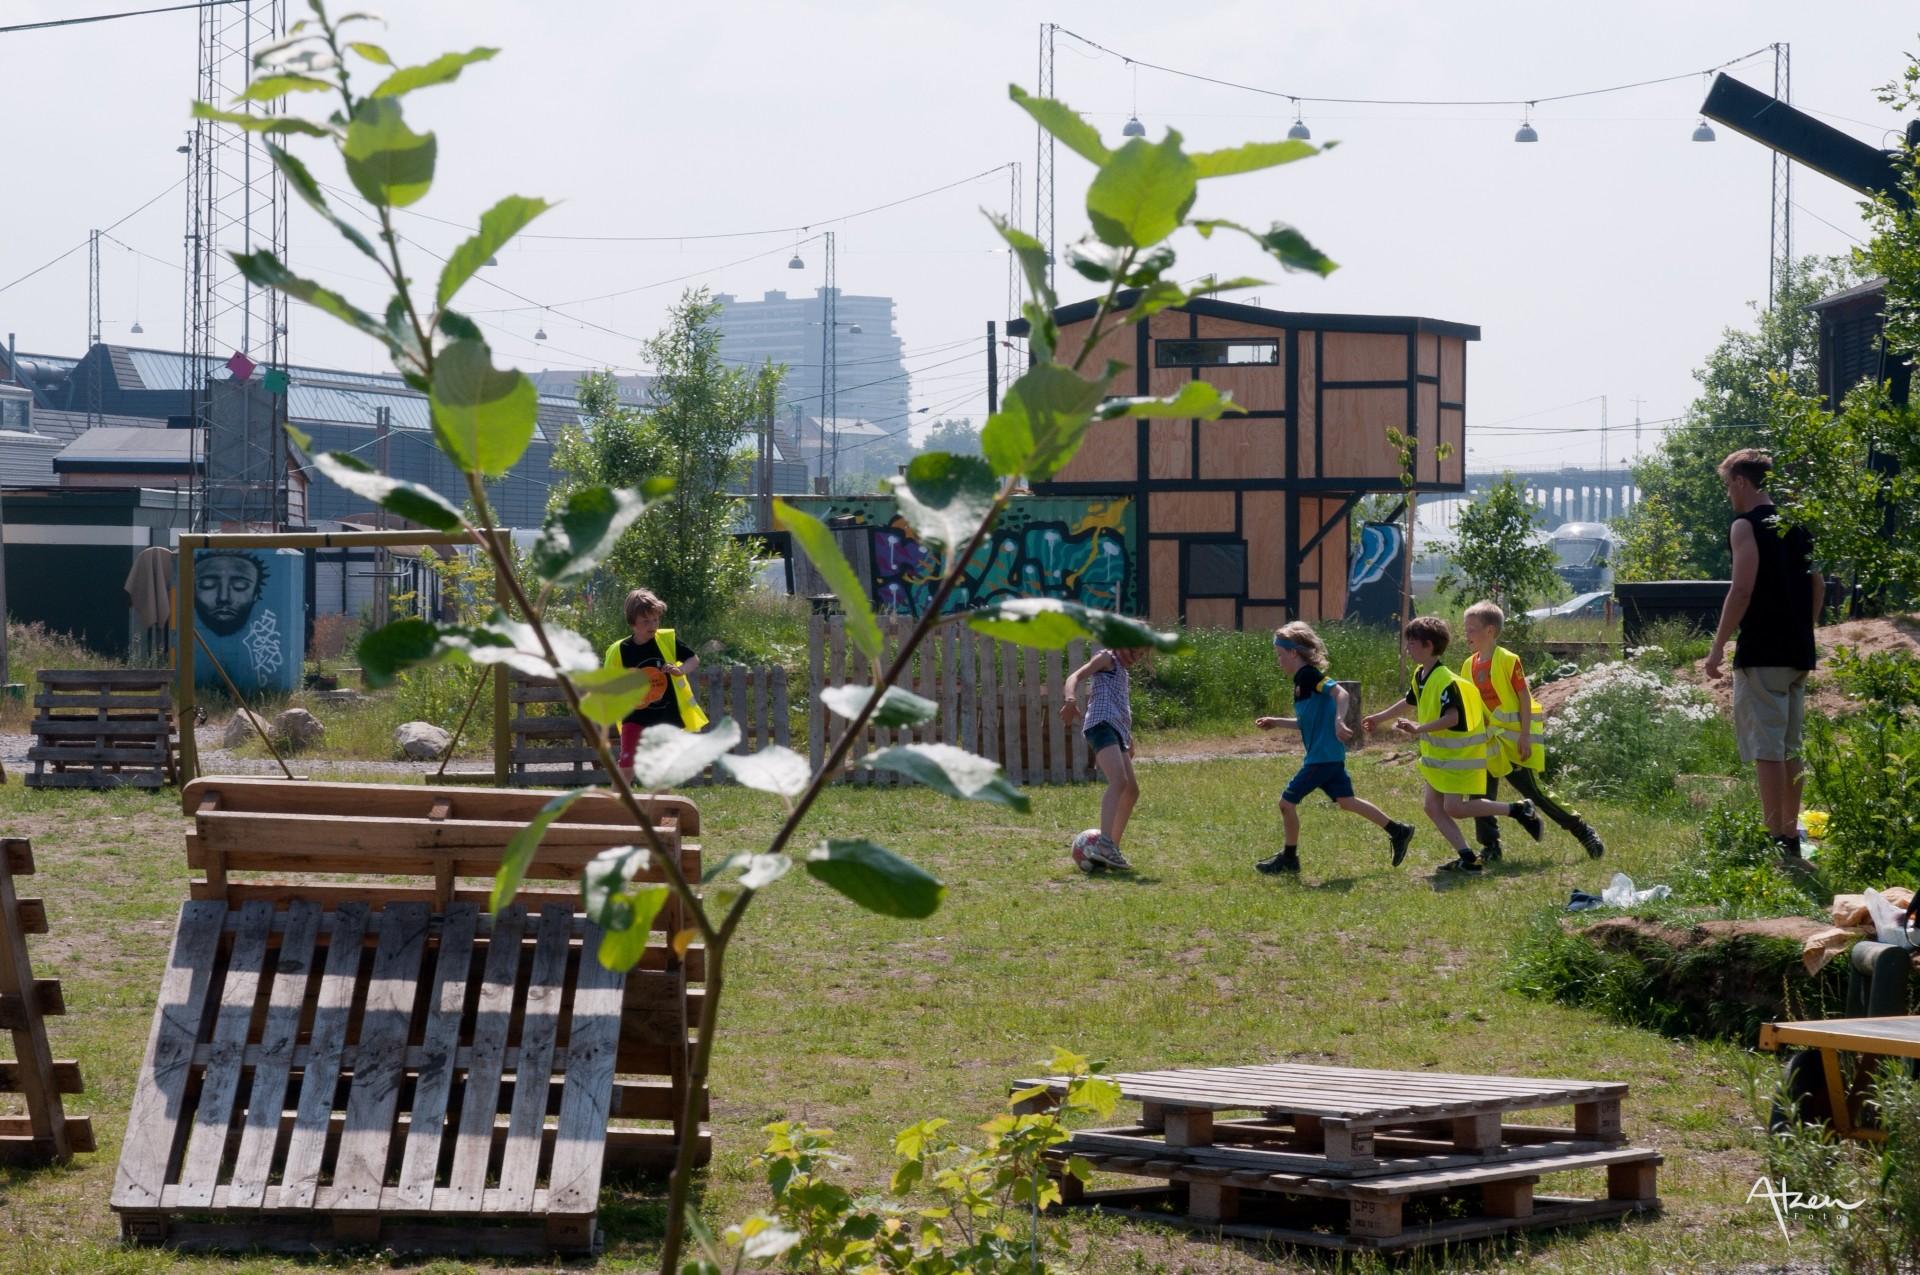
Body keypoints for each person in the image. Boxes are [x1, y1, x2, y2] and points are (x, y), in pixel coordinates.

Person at [1703, 449, 1821, 859]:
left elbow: (1742, 589)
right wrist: (1803, 629)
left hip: (1762, 651)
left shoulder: (1744, 525)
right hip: (1797, 651)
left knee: (1766, 748)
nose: (1728, 496)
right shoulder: (1799, 525)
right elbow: (1818, 584)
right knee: (1792, 746)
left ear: (1740, 480)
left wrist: (1717, 647)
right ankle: (1792, 833)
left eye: (1727, 486)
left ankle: (1777, 838)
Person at [1362, 616, 1543, 873]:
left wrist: (1418, 729)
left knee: (1454, 808)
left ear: (1428, 645)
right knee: (1432, 807)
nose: (1407, 649)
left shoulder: (1446, 680)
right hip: (1438, 755)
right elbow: (1410, 700)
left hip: (1459, 755)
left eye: (1411, 644)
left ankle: (1519, 809)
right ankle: (1468, 859)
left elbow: (1452, 717)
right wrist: (1378, 717)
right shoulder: (1421, 674)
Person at [1253, 622, 1415, 875]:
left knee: (1286, 803)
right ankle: (1399, 830)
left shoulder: (1310, 676)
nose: (1279, 661)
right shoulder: (1301, 681)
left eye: (1280, 656)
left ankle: (1289, 858)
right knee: (1347, 802)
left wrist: (1340, 720)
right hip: (1329, 757)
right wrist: (1276, 722)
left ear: (1294, 653)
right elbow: (1307, 723)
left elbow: (1342, 694)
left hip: (1321, 760)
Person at [1460, 601, 1606, 861]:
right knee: (1480, 793)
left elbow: (1524, 698)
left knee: (1534, 792)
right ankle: (1490, 846)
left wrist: (1525, 735)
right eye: (1465, 629)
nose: (1466, 634)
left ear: (1490, 631)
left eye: (1471, 629)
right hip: (1487, 742)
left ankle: (1580, 829)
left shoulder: (1508, 660)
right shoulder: (1467, 665)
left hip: (1513, 741)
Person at [601, 588, 709, 785]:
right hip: (634, 716)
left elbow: (693, 659)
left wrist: (680, 670)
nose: (652, 625)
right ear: (633, 623)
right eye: (646, 621)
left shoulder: (666, 640)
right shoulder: (621, 650)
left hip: (665, 715)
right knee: (627, 764)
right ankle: (616, 806)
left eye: (655, 620)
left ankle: (661, 810)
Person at [1061, 644, 1147, 870]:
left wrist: (1128, 738)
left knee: (1131, 790)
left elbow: (1119, 705)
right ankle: (1105, 844)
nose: (1134, 656)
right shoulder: (1106, 658)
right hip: (1100, 725)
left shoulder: (1122, 672)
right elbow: (1075, 676)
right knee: (1119, 781)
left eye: (1139, 654)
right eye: (1132, 650)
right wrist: (1070, 700)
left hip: (1116, 730)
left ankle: (1111, 850)